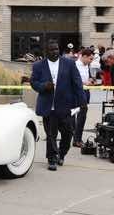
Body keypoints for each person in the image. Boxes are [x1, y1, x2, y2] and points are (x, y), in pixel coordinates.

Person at [31, 40, 87, 171]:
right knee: (51, 135)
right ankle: (52, 158)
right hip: (48, 107)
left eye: (56, 49)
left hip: (65, 105)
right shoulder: (39, 65)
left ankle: (61, 154)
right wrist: (44, 86)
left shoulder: (69, 63)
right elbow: (33, 82)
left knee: (68, 133)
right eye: (52, 50)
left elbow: (77, 83)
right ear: (46, 51)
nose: (55, 52)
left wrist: (82, 101)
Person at [73, 49, 96, 148]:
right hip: (75, 93)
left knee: (82, 117)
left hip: (85, 92)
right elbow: (72, 80)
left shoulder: (87, 66)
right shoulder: (74, 65)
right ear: (84, 56)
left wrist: (90, 79)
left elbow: (88, 77)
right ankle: (75, 138)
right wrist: (84, 83)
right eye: (90, 59)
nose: (91, 61)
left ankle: (77, 139)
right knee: (72, 116)